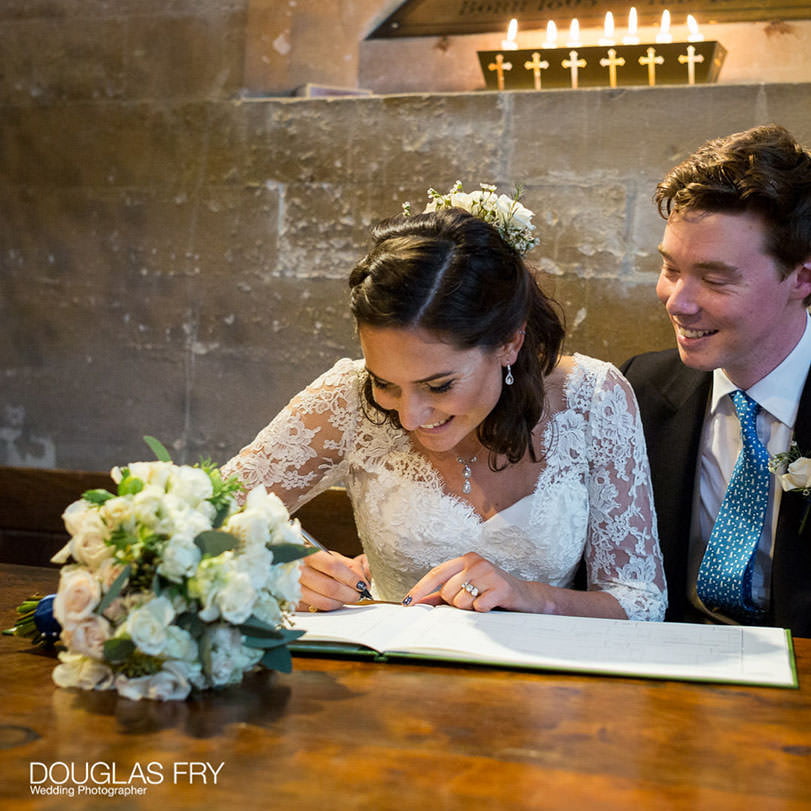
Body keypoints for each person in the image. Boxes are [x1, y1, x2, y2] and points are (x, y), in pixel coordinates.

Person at [223, 184, 666, 621]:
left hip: (548, 683)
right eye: (385, 383)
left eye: (438, 386)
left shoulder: (593, 398)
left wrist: (534, 598)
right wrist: (275, 567)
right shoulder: (345, 397)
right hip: (388, 668)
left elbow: (640, 602)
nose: (410, 415)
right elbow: (198, 516)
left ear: (510, 343)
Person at [621, 124, 811, 637]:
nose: (676, 301)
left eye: (715, 278)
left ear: (803, 277)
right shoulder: (636, 388)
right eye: (670, 269)